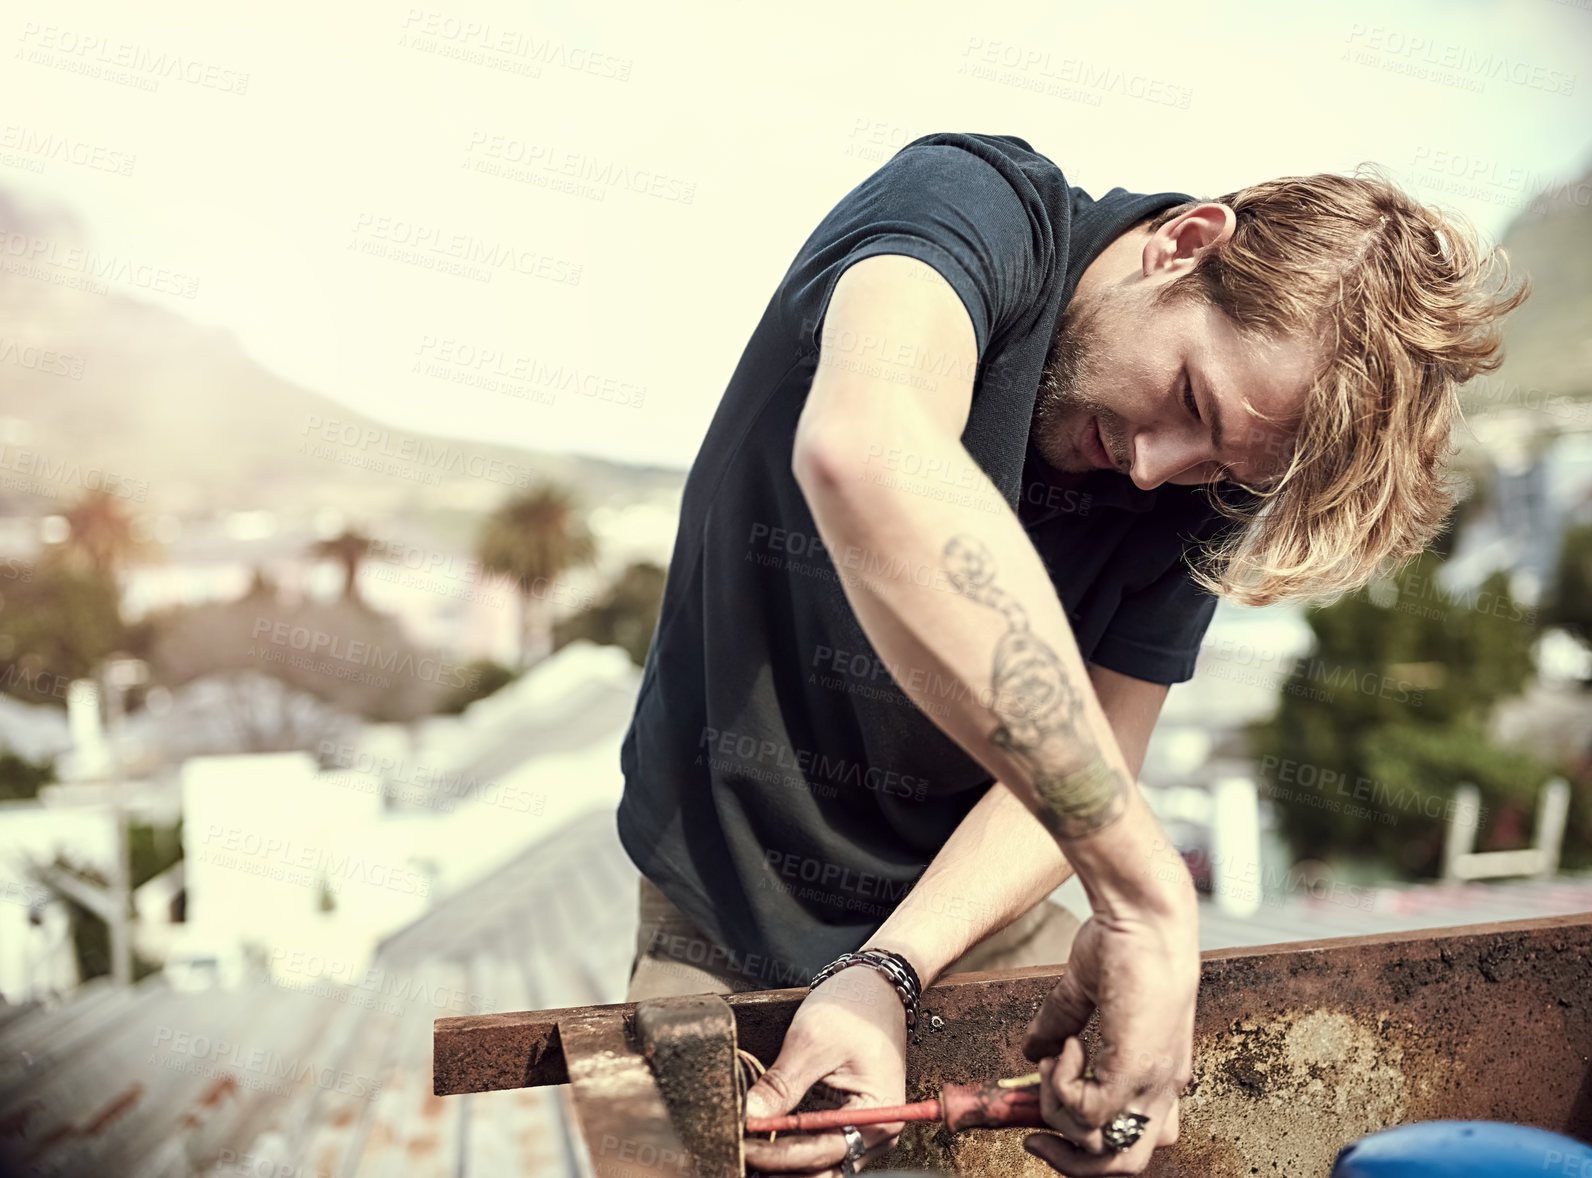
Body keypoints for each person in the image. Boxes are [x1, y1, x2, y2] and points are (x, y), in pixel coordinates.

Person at [614, 131, 1525, 1176]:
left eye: (1219, 465)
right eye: (1189, 401)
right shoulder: (967, 209)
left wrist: (891, 968)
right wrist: (1145, 897)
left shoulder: (1208, 479)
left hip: (968, 919)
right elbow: (866, 451)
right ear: (1185, 243)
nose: (1153, 469)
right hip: (720, 907)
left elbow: (1103, 745)